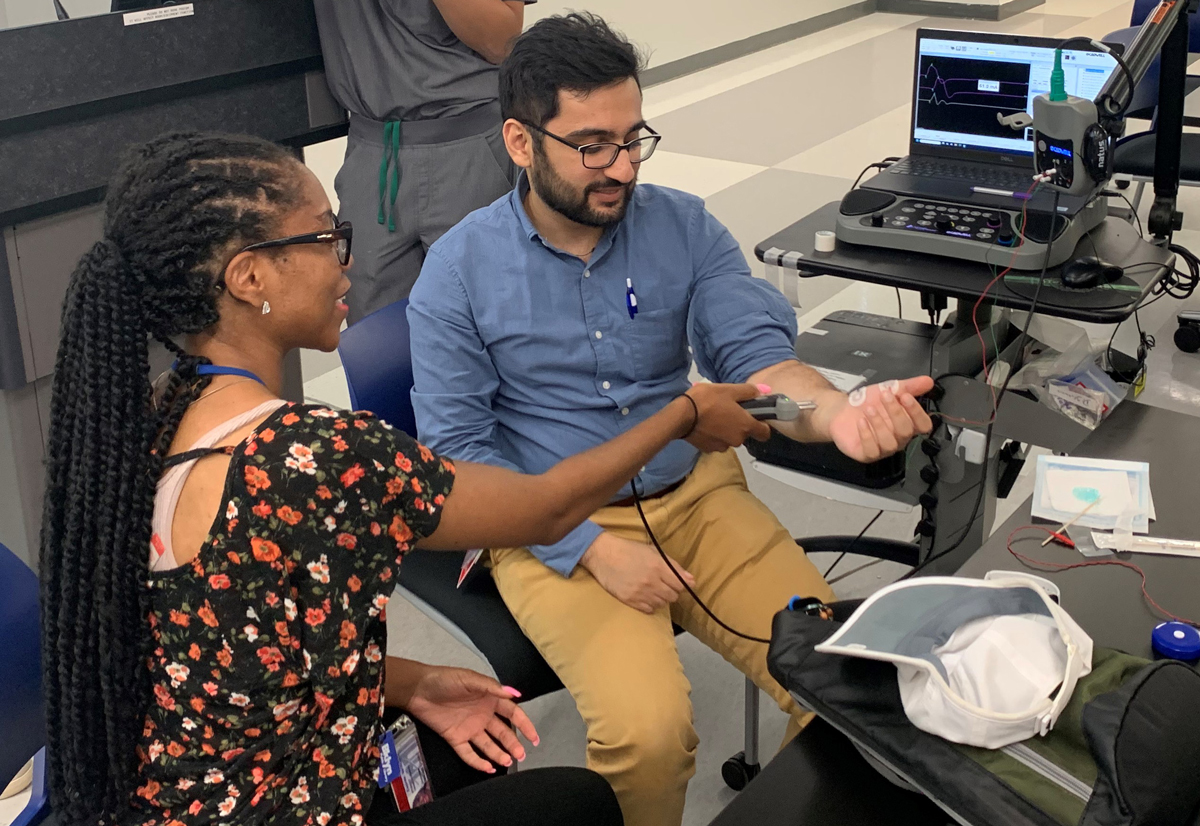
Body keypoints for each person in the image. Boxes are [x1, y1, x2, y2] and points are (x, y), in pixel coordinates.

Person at [37, 131, 775, 826]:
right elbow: (547, 509)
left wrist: (410, 681)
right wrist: (682, 412)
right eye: (325, 237)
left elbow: (242, 652)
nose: (344, 261)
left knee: (471, 754)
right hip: (295, 801)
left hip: (175, 794)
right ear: (249, 276)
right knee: (575, 803)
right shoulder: (317, 459)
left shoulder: (144, 423)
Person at [406, 14, 936, 826]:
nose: (621, 167)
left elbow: (756, 362)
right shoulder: (458, 272)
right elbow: (456, 457)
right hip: (553, 521)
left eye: (633, 138)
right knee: (651, 737)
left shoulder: (682, 225)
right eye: (591, 146)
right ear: (519, 141)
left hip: (695, 494)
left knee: (841, 686)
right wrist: (587, 550)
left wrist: (836, 415)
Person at [313, 0, 533, 323]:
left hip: (467, 142)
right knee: (378, 350)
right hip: (371, 152)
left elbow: (501, 39)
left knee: (491, 331)